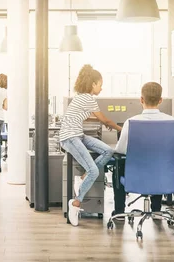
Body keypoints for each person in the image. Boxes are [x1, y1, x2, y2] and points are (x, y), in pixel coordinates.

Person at [60, 64, 122, 226]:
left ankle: (82, 179)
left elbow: (89, 117)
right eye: (100, 84)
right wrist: (121, 128)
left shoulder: (81, 97)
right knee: (94, 170)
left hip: (78, 135)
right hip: (70, 137)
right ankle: (75, 203)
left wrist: (104, 122)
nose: (101, 88)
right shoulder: (87, 98)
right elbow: (105, 119)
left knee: (108, 150)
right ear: (93, 84)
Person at [113, 82, 174, 218]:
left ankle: (119, 212)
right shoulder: (171, 121)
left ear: (141, 100)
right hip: (161, 177)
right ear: (160, 100)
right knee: (157, 164)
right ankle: (157, 210)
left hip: (135, 178)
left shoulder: (130, 122)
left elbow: (121, 150)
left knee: (118, 166)